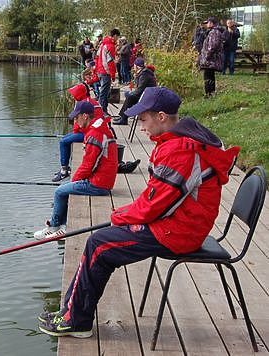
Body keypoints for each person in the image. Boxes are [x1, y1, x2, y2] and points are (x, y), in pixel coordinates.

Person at [37, 86, 240, 337]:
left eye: (143, 119)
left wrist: (118, 217)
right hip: (177, 222)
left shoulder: (180, 151)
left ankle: (76, 321)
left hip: (178, 232)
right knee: (102, 242)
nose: (141, 125)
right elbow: (155, 199)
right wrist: (124, 214)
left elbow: (153, 207)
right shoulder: (175, 142)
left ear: (162, 117)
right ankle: (71, 312)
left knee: (99, 245)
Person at [34, 101, 118, 239]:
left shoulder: (94, 134)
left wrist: (74, 180)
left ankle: (55, 226)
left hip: (99, 184)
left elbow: (88, 166)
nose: (75, 120)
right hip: (103, 180)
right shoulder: (97, 127)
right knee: (65, 189)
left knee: (59, 191)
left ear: (85, 116)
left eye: (76, 117)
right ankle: (62, 225)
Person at [52, 83, 104, 182]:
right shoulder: (89, 101)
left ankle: (64, 170)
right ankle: (65, 168)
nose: (72, 96)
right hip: (94, 130)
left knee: (63, 142)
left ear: (78, 94)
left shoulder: (82, 105)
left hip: (91, 133)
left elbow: (77, 126)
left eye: (74, 94)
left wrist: (76, 131)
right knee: (65, 138)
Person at [113, 57, 156, 125]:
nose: (133, 67)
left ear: (137, 66)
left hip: (147, 97)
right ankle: (123, 117)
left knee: (130, 97)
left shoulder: (144, 74)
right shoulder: (143, 73)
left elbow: (140, 89)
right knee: (129, 96)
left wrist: (131, 93)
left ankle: (123, 118)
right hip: (145, 95)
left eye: (134, 65)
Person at [95, 28, 120, 116]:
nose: (118, 40)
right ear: (115, 36)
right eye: (118, 37)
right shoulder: (110, 46)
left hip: (100, 71)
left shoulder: (102, 44)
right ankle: (102, 112)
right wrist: (113, 75)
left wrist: (96, 70)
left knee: (103, 92)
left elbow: (96, 58)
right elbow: (110, 62)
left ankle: (103, 110)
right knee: (104, 93)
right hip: (106, 72)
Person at [198, 17, 224, 98]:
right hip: (211, 59)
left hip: (211, 59)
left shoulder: (214, 32)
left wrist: (207, 56)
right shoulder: (213, 32)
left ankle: (209, 94)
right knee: (210, 76)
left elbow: (213, 46)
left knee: (208, 76)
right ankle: (210, 94)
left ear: (212, 23)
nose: (206, 24)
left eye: (208, 22)